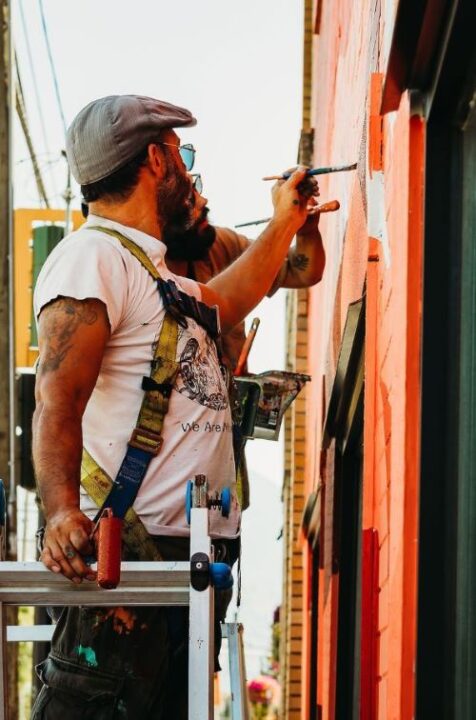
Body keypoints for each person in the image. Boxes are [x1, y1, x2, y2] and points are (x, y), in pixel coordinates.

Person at [31, 94, 317, 719]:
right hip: (126, 565)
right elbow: (56, 397)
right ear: (157, 160)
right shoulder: (92, 258)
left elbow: (228, 298)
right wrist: (58, 513)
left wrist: (289, 221)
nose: (188, 171)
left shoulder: (155, 276)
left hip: (179, 565)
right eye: (181, 157)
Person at [164, 180, 325, 508]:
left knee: (223, 528)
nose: (203, 202)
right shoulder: (138, 273)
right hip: (166, 447)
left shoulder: (216, 245)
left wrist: (304, 228)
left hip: (222, 434)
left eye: (197, 191)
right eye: (189, 202)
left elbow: (302, 271)